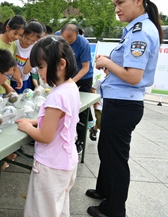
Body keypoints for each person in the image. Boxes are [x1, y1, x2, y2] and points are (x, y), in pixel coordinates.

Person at [86, 0, 162, 217]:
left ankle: (114, 209)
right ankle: (104, 189)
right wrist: (112, 65)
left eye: (121, 3)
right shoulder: (134, 29)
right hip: (119, 101)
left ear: (139, 0)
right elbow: (127, 71)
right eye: (115, 4)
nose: (117, 9)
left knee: (116, 157)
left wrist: (108, 62)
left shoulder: (141, 32)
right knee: (106, 149)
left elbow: (133, 76)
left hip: (124, 104)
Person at [15, 35, 80, 217]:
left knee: (41, 212)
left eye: (41, 67)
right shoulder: (71, 88)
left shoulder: (56, 96)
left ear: (61, 64)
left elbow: (45, 136)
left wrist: (28, 128)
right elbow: (61, 120)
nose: (39, 72)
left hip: (50, 166)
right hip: (66, 162)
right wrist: (35, 121)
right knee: (58, 208)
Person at [58, 23, 94, 154]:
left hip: (82, 78)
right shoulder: (57, 37)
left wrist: (72, 82)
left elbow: (85, 67)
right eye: (65, 40)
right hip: (66, 75)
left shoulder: (83, 44)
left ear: (77, 35)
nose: (67, 43)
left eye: (71, 41)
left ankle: (81, 141)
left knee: (81, 108)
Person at [0, 15, 26, 95]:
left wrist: (17, 75)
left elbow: (12, 66)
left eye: (20, 35)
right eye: (15, 33)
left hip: (7, 87)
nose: (16, 37)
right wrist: (6, 86)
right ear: (7, 27)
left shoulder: (13, 45)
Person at [11, 20, 44, 93]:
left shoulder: (35, 48)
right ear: (23, 34)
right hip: (11, 79)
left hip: (25, 80)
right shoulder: (15, 42)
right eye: (27, 38)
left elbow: (26, 71)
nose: (29, 42)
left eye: (33, 41)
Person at [89, 68, 109, 141]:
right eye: (108, 70)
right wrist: (95, 100)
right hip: (99, 105)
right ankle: (95, 130)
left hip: (108, 106)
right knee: (100, 122)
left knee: (104, 122)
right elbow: (93, 88)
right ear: (104, 71)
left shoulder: (113, 83)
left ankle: (94, 129)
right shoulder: (101, 80)